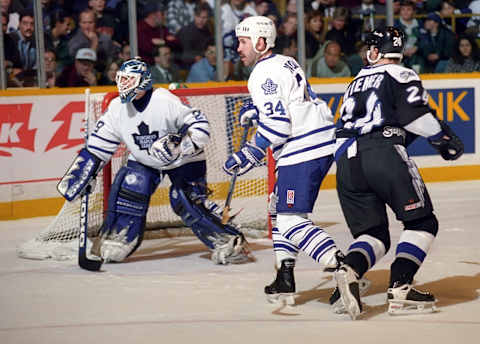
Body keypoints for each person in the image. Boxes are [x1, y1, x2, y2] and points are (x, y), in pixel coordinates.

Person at [56, 57, 250, 265]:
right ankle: (119, 236)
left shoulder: (164, 101)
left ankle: (228, 240)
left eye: (130, 81)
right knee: (132, 184)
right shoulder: (116, 108)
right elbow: (98, 146)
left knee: (184, 198)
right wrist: (83, 172)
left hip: (183, 161)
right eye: (122, 79)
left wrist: (181, 145)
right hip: (145, 159)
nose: (124, 85)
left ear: (144, 81)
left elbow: (200, 125)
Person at [333, 27, 464, 320]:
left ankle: (350, 268)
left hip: (347, 163)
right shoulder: (400, 73)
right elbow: (414, 116)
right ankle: (401, 288)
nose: (366, 51)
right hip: (383, 153)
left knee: (374, 233)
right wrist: (441, 138)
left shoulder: (354, 82)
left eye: (370, 46)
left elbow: (344, 132)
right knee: (423, 223)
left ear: (377, 51)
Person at [223, 16, 350, 306]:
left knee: (291, 220)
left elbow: (279, 126)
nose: (238, 48)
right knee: (278, 209)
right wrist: (257, 110)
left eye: (243, 42)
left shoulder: (261, 73)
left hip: (302, 148)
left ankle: (344, 266)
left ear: (260, 42)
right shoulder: (284, 62)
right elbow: (288, 104)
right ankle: (285, 277)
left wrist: (249, 153)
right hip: (314, 142)